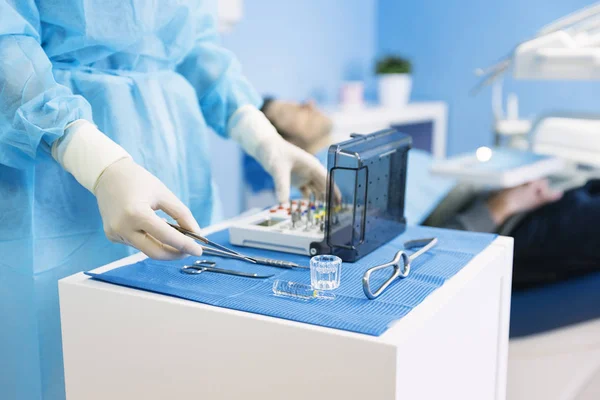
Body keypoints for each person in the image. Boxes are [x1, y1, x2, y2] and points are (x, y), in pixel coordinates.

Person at [0, 2, 326, 399]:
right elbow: (7, 44)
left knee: (177, 352)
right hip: (54, 174)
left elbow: (194, 48)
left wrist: (259, 131)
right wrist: (96, 161)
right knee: (67, 356)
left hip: (174, 153)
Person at [262, 98, 600, 290]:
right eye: (292, 108)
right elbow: (426, 246)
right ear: (282, 139)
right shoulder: (332, 183)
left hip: (529, 198)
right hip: (508, 227)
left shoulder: (368, 149)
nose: (307, 103)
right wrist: (506, 203)